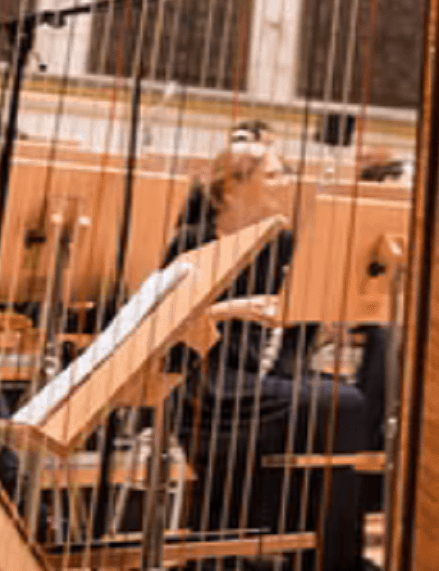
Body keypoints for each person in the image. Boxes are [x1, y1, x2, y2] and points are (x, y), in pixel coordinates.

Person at [165, 141, 371, 571]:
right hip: (207, 380)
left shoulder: (285, 242)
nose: (287, 183)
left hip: (265, 374)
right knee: (340, 402)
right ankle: (324, 554)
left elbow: (298, 325)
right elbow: (163, 323)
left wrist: (319, 315)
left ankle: (325, 551)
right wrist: (232, 309)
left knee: (345, 403)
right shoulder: (192, 241)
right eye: (274, 175)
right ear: (233, 188)